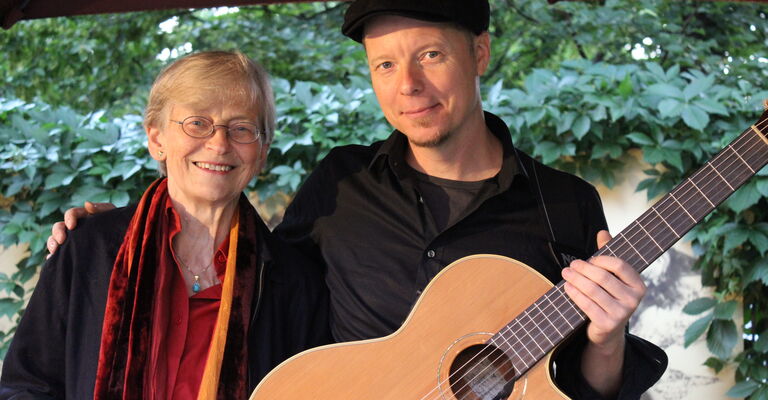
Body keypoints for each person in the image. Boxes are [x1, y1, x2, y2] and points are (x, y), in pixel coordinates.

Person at [47, 1, 667, 398]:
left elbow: (584, 386)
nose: (409, 86)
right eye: (385, 65)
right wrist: (125, 235)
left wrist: (608, 339)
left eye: (430, 55)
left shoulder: (566, 203)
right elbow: (255, 280)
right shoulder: (340, 185)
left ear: (478, 53)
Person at [0, 51, 329, 399]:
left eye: (241, 128)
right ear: (157, 140)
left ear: (262, 152)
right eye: (197, 123)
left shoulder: (295, 282)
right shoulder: (89, 250)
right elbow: (27, 387)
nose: (219, 144)